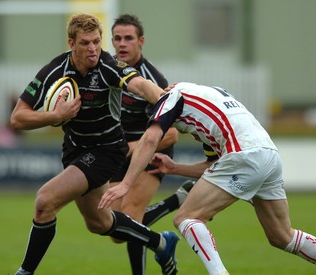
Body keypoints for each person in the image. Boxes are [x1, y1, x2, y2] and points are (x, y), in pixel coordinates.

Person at [99, 82, 316, 274]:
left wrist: (126, 184)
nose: (182, 131)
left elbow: (150, 139)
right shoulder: (209, 94)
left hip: (244, 155)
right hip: (269, 155)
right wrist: (174, 168)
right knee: (282, 236)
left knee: (187, 217)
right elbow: (214, 166)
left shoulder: (169, 98)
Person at [11, 14, 180, 275]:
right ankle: (161, 243)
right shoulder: (55, 70)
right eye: (86, 43)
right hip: (75, 149)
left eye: (97, 42)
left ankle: (24, 271)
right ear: (71, 44)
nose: (93, 49)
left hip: (107, 150)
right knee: (99, 223)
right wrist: (54, 116)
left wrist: (163, 99)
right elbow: (18, 117)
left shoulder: (108, 65)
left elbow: (141, 84)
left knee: (45, 201)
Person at [109, 14, 195, 275]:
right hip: (118, 153)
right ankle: (175, 202)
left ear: (141, 41)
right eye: (117, 38)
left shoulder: (153, 80)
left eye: (128, 38)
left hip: (151, 151)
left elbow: (171, 135)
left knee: (132, 216)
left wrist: (136, 147)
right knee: (114, 228)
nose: (122, 44)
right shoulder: (107, 70)